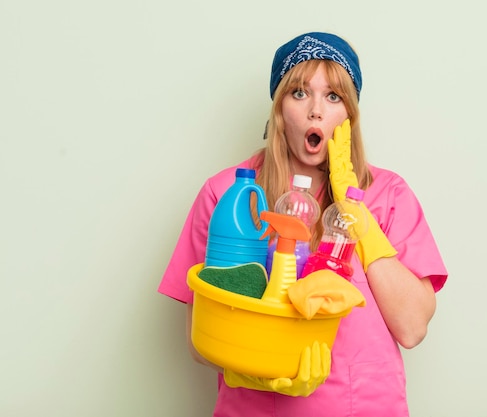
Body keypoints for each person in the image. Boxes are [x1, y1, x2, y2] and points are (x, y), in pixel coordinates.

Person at [158, 31, 448, 417]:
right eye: (299, 93)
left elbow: (412, 328)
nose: (316, 110)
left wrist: (356, 216)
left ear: (349, 115)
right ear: (278, 110)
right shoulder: (230, 196)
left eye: (333, 96)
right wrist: (251, 371)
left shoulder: (388, 196)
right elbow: (200, 338)